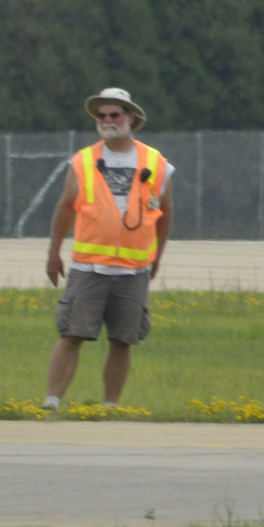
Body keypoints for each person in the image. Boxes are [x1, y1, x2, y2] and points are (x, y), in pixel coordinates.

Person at [42, 88, 174, 411]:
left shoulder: (157, 164)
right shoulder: (83, 161)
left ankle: (109, 407)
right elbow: (64, 208)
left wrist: (157, 254)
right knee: (71, 334)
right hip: (89, 267)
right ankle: (51, 402)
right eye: (101, 115)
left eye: (114, 114)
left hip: (132, 271)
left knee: (122, 340)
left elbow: (165, 213)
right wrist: (53, 252)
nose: (107, 120)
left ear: (130, 118)